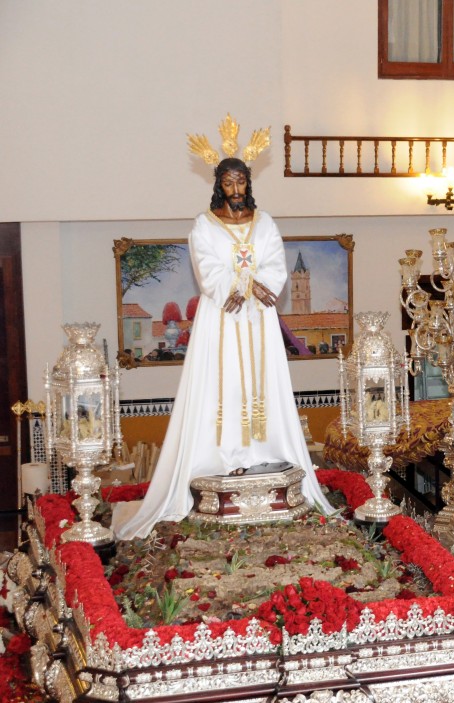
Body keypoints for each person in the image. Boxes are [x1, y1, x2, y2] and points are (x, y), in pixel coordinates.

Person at [115, 157, 332, 539]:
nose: (236, 190)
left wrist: (258, 285)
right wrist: (240, 285)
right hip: (221, 317)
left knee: (262, 384)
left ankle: (264, 450)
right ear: (219, 185)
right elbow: (207, 267)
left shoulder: (265, 223)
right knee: (223, 382)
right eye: (229, 183)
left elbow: (275, 264)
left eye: (241, 182)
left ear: (248, 183)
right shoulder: (205, 225)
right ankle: (219, 455)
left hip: (259, 319)